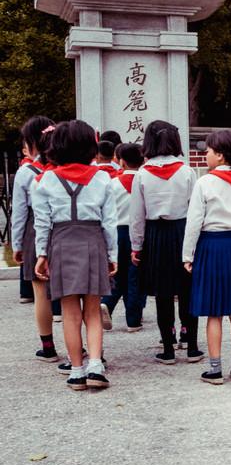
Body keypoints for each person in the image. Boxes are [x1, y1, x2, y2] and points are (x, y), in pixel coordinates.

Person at [32, 120, 117, 391]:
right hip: (93, 241)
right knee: (92, 310)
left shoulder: (46, 179)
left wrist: (41, 253)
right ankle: (95, 366)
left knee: (69, 312)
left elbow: (42, 223)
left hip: (61, 242)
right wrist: (112, 254)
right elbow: (110, 222)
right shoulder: (102, 178)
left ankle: (77, 370)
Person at [183, 131, 231, 385]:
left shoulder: (204, 183)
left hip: (210, 245)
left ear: (220, 155)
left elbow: (194, 222)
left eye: (208, 150)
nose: (204, 154)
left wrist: (188, 253)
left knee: (214, 312)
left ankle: (215, 369)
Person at [131, 120, 200, 364]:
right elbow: (195, 210)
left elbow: (137, 215)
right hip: (182, 231)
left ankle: (168, 349)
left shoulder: (141, 174)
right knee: (187, 290)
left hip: (155, 235)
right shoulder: (187, 172)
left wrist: (136, 245)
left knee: (162, 293)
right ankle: (191, 345)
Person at [11, 116, 57, 363]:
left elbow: (19, 213)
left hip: (34, 230)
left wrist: (17, 244)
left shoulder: (26, 173)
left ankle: (47, 346)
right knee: (72, 294)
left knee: (41, 294)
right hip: (63, 230)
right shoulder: (64, 168)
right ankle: (81, 347)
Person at [100, 143, 146, 333]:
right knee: (136, 277)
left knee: (117, 275)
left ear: (121, 161)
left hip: (117, 232)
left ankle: (107, 304)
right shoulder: (145, 182)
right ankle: (133, 320)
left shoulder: (112, 183)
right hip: (138, 232)